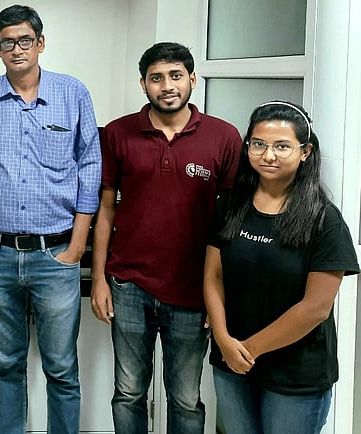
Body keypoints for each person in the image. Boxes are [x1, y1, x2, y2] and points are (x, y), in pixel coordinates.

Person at [0, 4, 102, 434]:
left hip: (55, 254)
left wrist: (76, 248)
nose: (17, 49)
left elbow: (90, 170)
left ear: (40, 43)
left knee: (61, 367)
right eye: (8, 42)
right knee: (6, 364)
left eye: (25, 40)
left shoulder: (72, 93)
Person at [90, 42, 242, 433]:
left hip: (194, 290)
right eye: (156, 78)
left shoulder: (224, 137)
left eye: (176, 76)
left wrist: (220, 294)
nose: (167, 86)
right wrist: (99, 279)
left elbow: (232, 221)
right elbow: (105, 210)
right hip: (128, 285)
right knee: (128, 393)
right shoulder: (118, 133)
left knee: (186, 400)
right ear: (143, 84)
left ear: (192, 79)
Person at [204, 101, 359, 434]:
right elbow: (213, 277)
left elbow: (315, 308)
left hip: (295, 373)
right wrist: (223, 339)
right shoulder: (229, 205)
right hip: (231, 363)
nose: (268, 155)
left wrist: (247, 351)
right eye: (258, 144)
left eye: (282, 146)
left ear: (305, 152)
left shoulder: (324, 220)